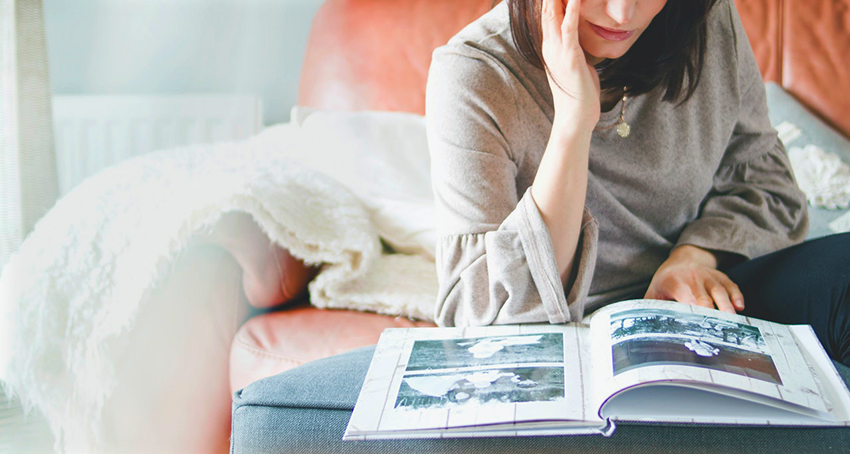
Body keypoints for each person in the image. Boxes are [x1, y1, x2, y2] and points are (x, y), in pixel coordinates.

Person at [426, 0, 850, 365]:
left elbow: (766, 181)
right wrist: (574, 121)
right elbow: (484, 320)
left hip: (703, 298)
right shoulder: (474, 74)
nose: (622, 14)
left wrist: (693, 259)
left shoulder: (703, 19)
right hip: (573, 342)